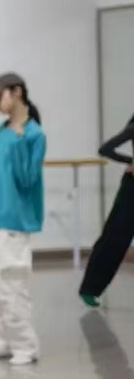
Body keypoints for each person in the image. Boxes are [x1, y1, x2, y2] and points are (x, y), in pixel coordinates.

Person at [0, 73, 45, 366]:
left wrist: (20, 138)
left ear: (16, 92)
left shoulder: (34, 135)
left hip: (12, 225)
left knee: (12, 288)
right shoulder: (0, 132)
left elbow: (27, 180)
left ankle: (25, 347)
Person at [79, 112, 134, 307]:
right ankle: (90, 289)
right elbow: (105, 149)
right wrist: (130, 161)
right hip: (131, 191)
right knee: (114, 238)